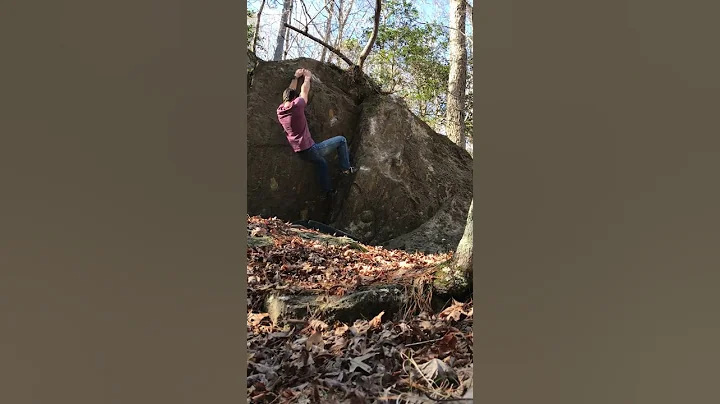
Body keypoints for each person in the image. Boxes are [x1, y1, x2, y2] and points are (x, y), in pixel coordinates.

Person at [276, 67, 356, 199]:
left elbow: (290, 93)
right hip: (311, 149)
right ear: (295, 98)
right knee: (341, 140)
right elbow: (304, 91)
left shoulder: (280, 111)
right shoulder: (298, 105)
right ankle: (346, 169)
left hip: (300, 152)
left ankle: (328, 191)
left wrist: (296, 76)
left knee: (322, 163)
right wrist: (307, 78)